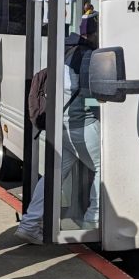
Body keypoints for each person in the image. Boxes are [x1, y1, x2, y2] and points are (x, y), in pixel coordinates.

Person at [15, 15, 100, 244]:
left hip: (60, 125)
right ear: (93, 34)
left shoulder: (67, 52)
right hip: (83, 124)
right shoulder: (89, 56)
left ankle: (30, 223)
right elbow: (89, 95)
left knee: (53, 175)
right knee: (104, 168)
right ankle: (94, 219)